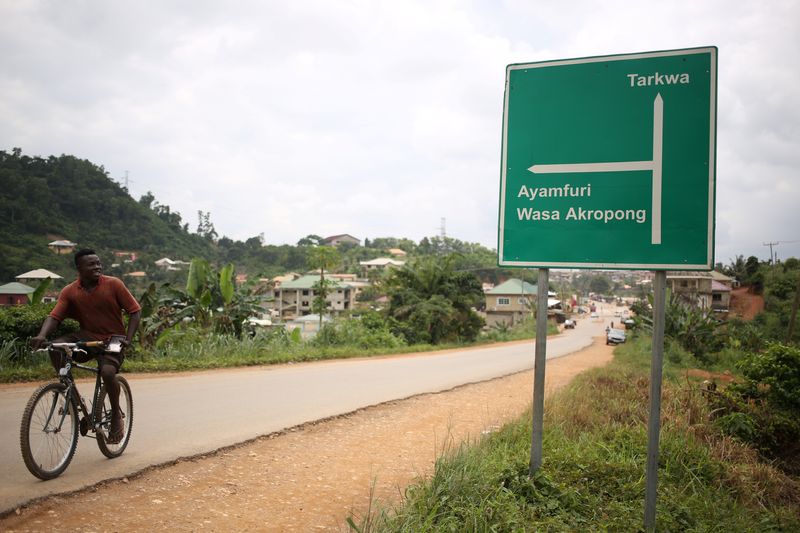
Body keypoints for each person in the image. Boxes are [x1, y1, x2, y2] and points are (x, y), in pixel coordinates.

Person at [31, 249, 141, 443]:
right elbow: (54, 317)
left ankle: (116, 414)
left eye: (98, 263)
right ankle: (69, 393)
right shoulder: (70, 291)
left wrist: (128, 339)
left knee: (107, 373)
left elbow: (135, 312)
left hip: (113, 340)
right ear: (79, 268)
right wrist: (41, 335)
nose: (97, 267)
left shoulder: (114, 284)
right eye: (91, 264)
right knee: (56, 347)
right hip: (86, 337)